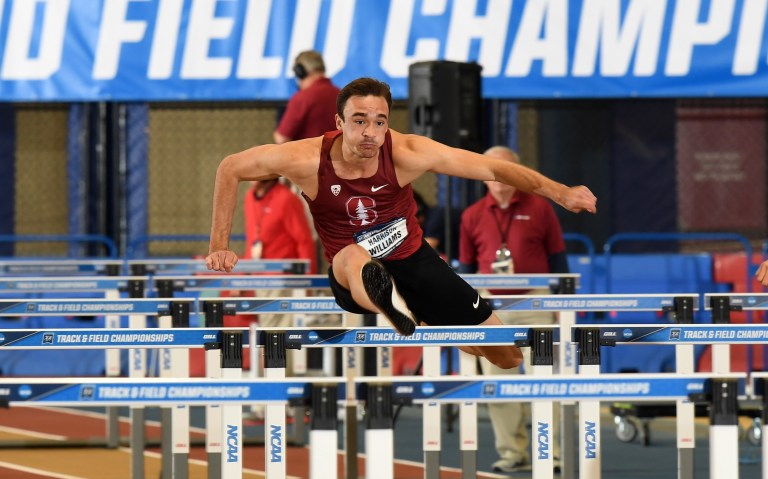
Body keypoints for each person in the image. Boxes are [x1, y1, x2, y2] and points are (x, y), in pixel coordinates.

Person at [205, 77, 597, 370]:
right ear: (338, 122)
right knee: (352, 256)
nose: (370, 133)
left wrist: (559, 192)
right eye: (359, 121)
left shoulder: (407, 151)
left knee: (506, 355)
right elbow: (230, 167)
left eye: (379, 122)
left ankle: (416, 312)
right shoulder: (307, 159)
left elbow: (493, 167)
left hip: (415, 262)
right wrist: (219, 243)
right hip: (353, 269)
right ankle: (387, 301)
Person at [458, 145, 568, 473]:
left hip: (535, 302)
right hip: (490, 305)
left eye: (508, 172)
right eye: (494, 172)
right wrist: (463, 313)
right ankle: (512, 452)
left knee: (545, 380)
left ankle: (553, 452)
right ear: (483, 175)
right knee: (498, 382)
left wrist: (561, 305)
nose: (501, 180)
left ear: (519, 175)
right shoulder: (472, 215)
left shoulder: (541, 208)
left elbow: (558, 260)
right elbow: (464, 268)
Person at [273, 50, 340, 144]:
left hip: (308, 157)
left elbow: (281, 139)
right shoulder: (341, 95)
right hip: (338, 157)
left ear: (300, 72)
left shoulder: (302, 98)